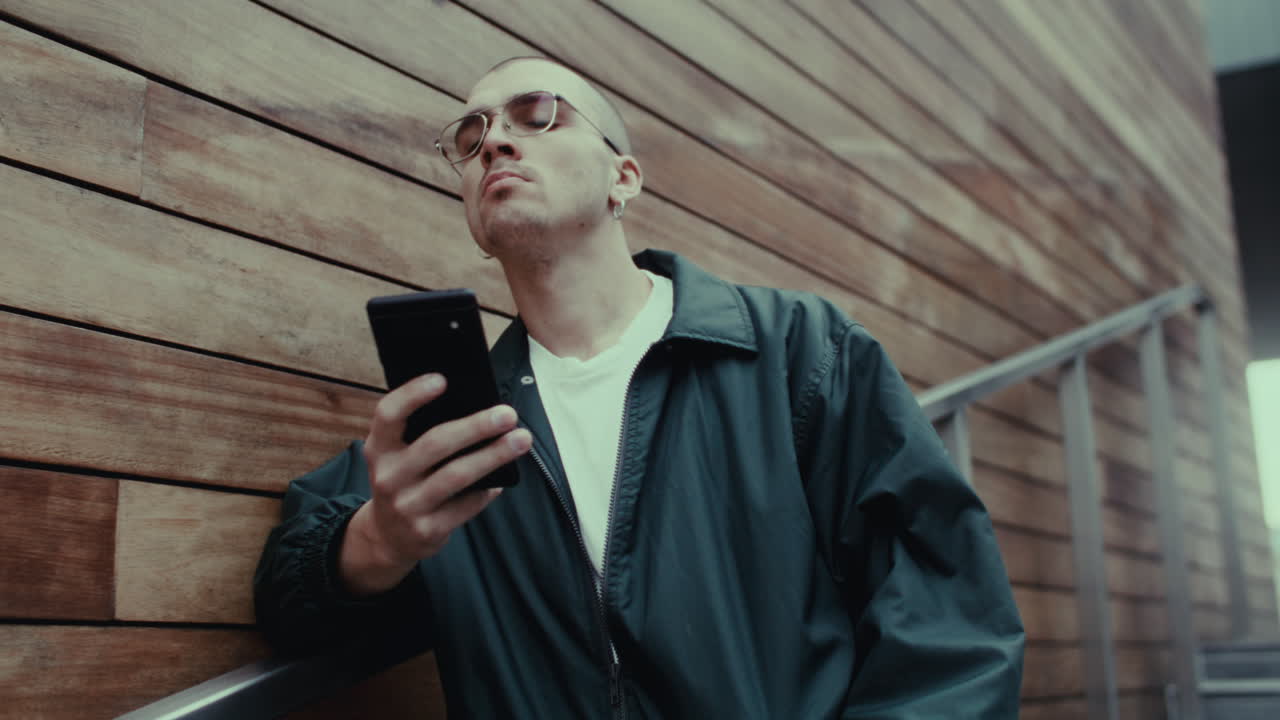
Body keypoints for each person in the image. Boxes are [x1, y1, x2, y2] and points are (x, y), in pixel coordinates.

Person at [254, 56, 1025, 718]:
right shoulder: (463, 424)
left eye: (538, 114)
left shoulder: (796, 350)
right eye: (473, 135)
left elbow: (947, 616)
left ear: (622, 177)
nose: (496, 142)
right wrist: (376, 543)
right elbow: (289, 592)